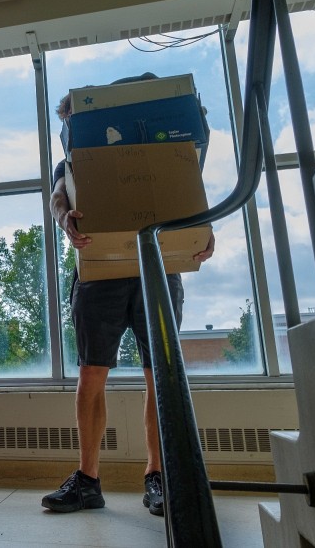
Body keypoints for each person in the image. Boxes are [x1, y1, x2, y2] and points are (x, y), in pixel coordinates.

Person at [42, 76, 215, 518]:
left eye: (74, 114)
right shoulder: (70, 161)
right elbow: (58, 197)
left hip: (158, 267)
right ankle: (87, 481)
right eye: (67, 119)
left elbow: (184, 185)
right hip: (99, 274)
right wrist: (65, 219)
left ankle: (158, 475)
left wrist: (202, 230)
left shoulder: (150, 142)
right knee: (91, 375)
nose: (71, 123)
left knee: (160, 376)